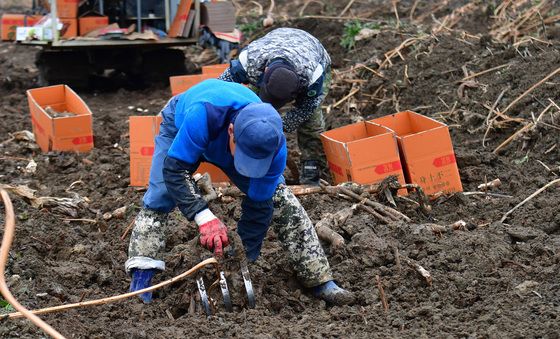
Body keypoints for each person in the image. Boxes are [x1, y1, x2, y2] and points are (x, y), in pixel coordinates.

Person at [126, 79, 354, 306]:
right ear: (231, 131)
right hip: (183, 126)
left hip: (230, 140)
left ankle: (319, 278)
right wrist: (204, 217)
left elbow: (259, 204)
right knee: (161, 195)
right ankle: (142, 277)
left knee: (281, 198)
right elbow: (175, 171)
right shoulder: (201, 115)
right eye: (246, 157)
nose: (250, 167)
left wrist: (242, 257)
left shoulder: (275, 148)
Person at [218, 27, 331, 185]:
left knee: (311, 123)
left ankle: (311, 168)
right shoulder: (250, 60)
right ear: (265, 72)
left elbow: (307, 107)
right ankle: (245, 153)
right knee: (250, 108)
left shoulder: (312, 77)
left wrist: (280, 126)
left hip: (312, 51)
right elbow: (221, 87)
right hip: (273, 47)